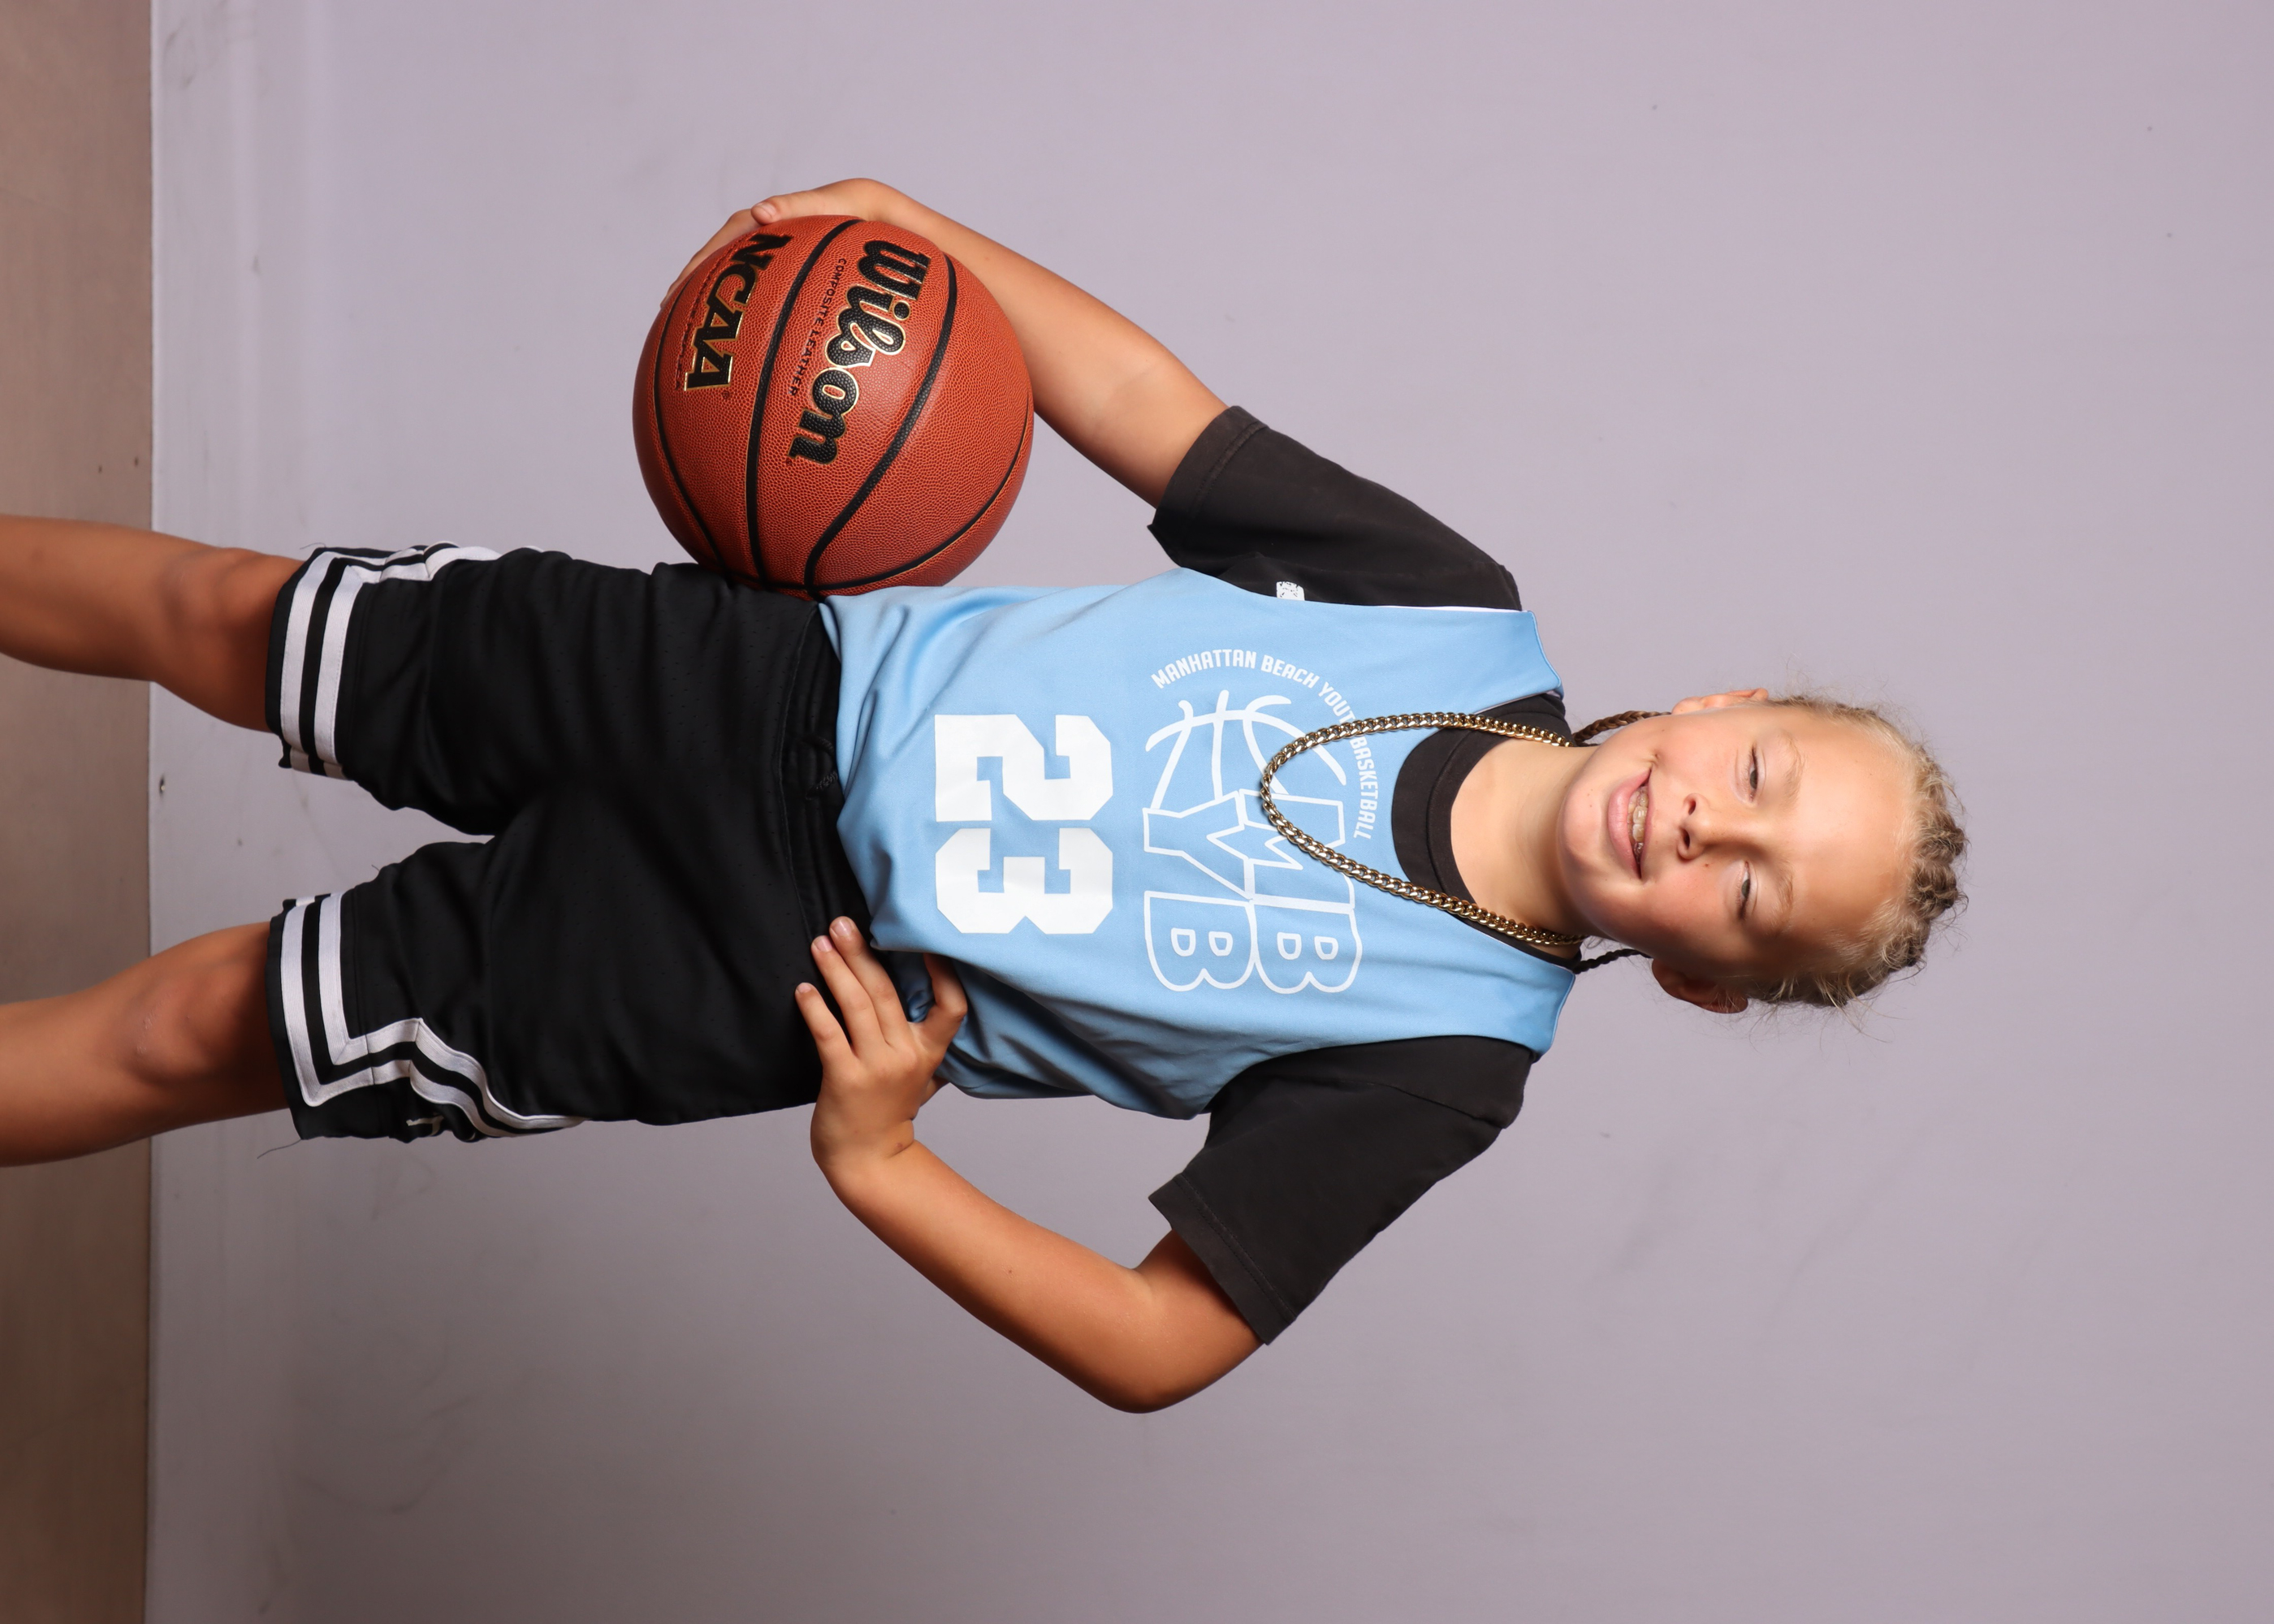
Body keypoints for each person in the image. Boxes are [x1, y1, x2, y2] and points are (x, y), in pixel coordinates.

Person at [0, 179, 1965, 1411]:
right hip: (754, 673)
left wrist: (883, 1162)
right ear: (1722, 701)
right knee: (227, 611)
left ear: (1703, 981)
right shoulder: (1443, 608)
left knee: (193, 1026)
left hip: (745, 969)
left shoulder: (1444, 1059)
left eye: (1748, 892)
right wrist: (917, 235)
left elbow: (1161, 1342)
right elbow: (1150, 409)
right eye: (1758, 775)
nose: (1705, 828)